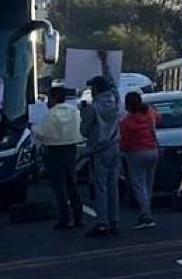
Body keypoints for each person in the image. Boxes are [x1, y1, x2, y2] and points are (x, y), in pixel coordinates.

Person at [33, 86, 84, 229]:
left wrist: (33, 127)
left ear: (54, 98)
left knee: (59, 187)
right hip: (71, 148)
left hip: (54, 150)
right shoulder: (74, 111)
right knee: (72, 184)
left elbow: (42, 133)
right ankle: (78, 216)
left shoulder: (52, 115)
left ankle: (64, 217)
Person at [81, 63, 121, 238]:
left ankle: (102, 222)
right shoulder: (115, 100)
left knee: (101, 186)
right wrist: (105, 63)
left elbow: (84, 130)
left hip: (99, 148)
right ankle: (114, 220)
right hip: (115, 145)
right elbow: (113, 84)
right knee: (113, 185)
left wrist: (83, 115)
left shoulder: (92, 108)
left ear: (96, 90)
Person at [119, 92, 161, 230]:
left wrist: (122, 150)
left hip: (135, 152)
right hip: (153, 149)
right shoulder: (149, 113)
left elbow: (124, 139)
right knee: (148, 184)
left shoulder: (127, 121)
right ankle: (146, 210)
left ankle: (146, 214)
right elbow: (159, 119)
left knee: (138, 185)